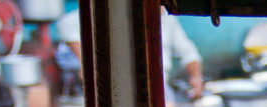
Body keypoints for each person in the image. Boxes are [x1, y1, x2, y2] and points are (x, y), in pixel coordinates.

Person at [55, 7, 205, 98]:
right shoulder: (115, 12)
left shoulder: (166, 17)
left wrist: (196, 78)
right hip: (116, 88)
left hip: (157, 86)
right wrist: (86, 62)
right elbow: (66, 24)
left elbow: (188, 52)